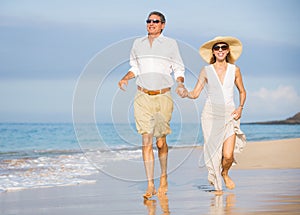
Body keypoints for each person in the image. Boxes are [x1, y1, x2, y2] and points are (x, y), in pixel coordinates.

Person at [118, 11, 186, 199]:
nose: (151, 23)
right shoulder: (137, 44)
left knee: (160, 141)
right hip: (142, 96)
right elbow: (135, 67)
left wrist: (180, 83)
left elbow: (178, 68)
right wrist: (125, 78)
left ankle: (163, 177)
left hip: (163, 96)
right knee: (146, 141)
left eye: (155, 21)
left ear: (163, 25)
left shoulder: (170, 44)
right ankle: (150, 184)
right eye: (148, 21)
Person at [182, 36, 246, 195]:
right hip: (210, 115)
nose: (220, 50)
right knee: (213, 153)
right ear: (213, 51)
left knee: (228, 155)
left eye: (223, 47)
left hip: (230, 114)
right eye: (217, 48)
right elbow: (195, 93)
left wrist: (240, 108)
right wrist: (185, 93)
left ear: (228, 50)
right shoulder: (206, 70)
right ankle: (217, 185)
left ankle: (224, 173)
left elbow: (242, 91)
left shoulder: (235, 70)